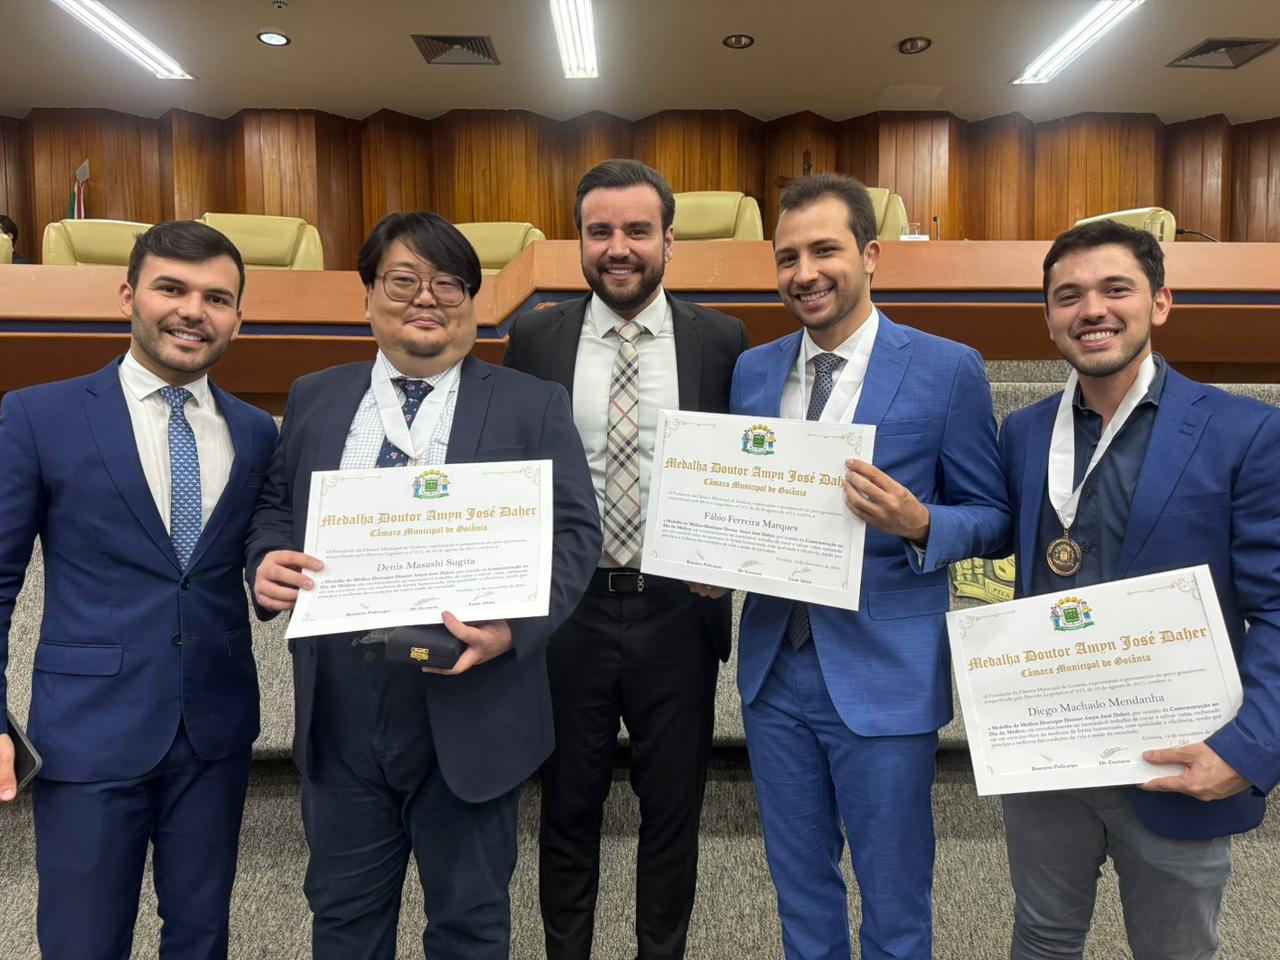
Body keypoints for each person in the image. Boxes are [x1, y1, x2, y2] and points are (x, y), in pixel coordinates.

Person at [245, 211, 600, 960]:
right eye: (403, 281)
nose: (426, 299)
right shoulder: (314, 397)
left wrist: (514, 630)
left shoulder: (531, 403)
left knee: (470, 926)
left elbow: (575, 536)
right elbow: (276, 506)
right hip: (341, 706)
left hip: (471, 695)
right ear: (367, 296)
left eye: (449, 284)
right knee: (344, 922)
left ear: (473, 303)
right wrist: (266, 559)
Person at [730, 173, 1010, 960]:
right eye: (787, 257)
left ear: (871, 254)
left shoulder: (947, 368)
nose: (805, 273)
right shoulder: (753, 371)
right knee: (799, 887)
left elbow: (994, 519)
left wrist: (921, 523)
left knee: (894, 895)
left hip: (885, 670)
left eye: (825, 250)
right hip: (773, 669)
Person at [997, 219, 1280, 960]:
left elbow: (1278, 608)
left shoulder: (1244, 433)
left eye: (1114, 289)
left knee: (1176, 949)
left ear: (1160, 302)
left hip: (1177, 760)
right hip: (1047, 751)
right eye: (1068, 296)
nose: (1091, 309)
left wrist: (1249, 750)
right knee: (1042, 938)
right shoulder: (1022, 434)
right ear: (1049, 317)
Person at [0, 220, 277, 958]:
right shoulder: (38, 415)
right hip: (89, 729)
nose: (193, 311)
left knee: (201, 936)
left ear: (238, 317)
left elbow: (262, 548)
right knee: (83, 940)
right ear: (128, 295)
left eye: (216, 298)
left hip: (215, 727)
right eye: (171, 289)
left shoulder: (258, 431)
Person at [504, 158, 748, 960]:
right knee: (567, 806)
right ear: (578, 240)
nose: (618, 247)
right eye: (599, 231)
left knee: (673, 810)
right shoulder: (536, 336)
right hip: (567, 610)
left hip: (679, 608)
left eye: (638, 230)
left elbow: (746, 471)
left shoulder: (722, 340)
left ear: (669, 241)